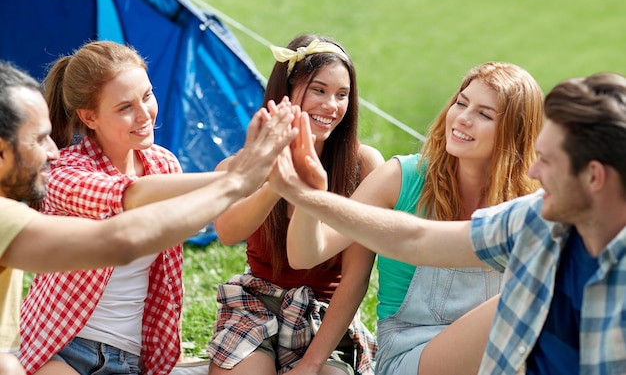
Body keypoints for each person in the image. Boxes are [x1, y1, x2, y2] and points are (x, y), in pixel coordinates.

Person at [271, 71, 626, 374]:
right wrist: (308, 196)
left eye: (548, 160)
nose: (535, 171)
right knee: (533, 284)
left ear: (594, 177)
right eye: (461, 102)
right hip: (415, 352)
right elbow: (416, 238)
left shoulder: (537, 205)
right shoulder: (536, 219)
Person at [0, 60, 297, 375]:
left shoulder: (163, 163)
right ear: (88, 116)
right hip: (64, 352)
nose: (53, 151)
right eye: (38, 139)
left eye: (147, 95)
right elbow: (126, 211)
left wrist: (264, 184)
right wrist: (237, 178)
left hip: (134, 360)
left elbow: (179, 239)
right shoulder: (61, 174)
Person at [207, 34, 384, 375]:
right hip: (256, 305)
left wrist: (313, 363)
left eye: (342, 95)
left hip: (326, 316)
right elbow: (228, 232)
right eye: (318, 90)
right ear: (286, 92)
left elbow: (355, 279)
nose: (331, 106)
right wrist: (278, 181)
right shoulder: (242, 165)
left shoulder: (364, 167)